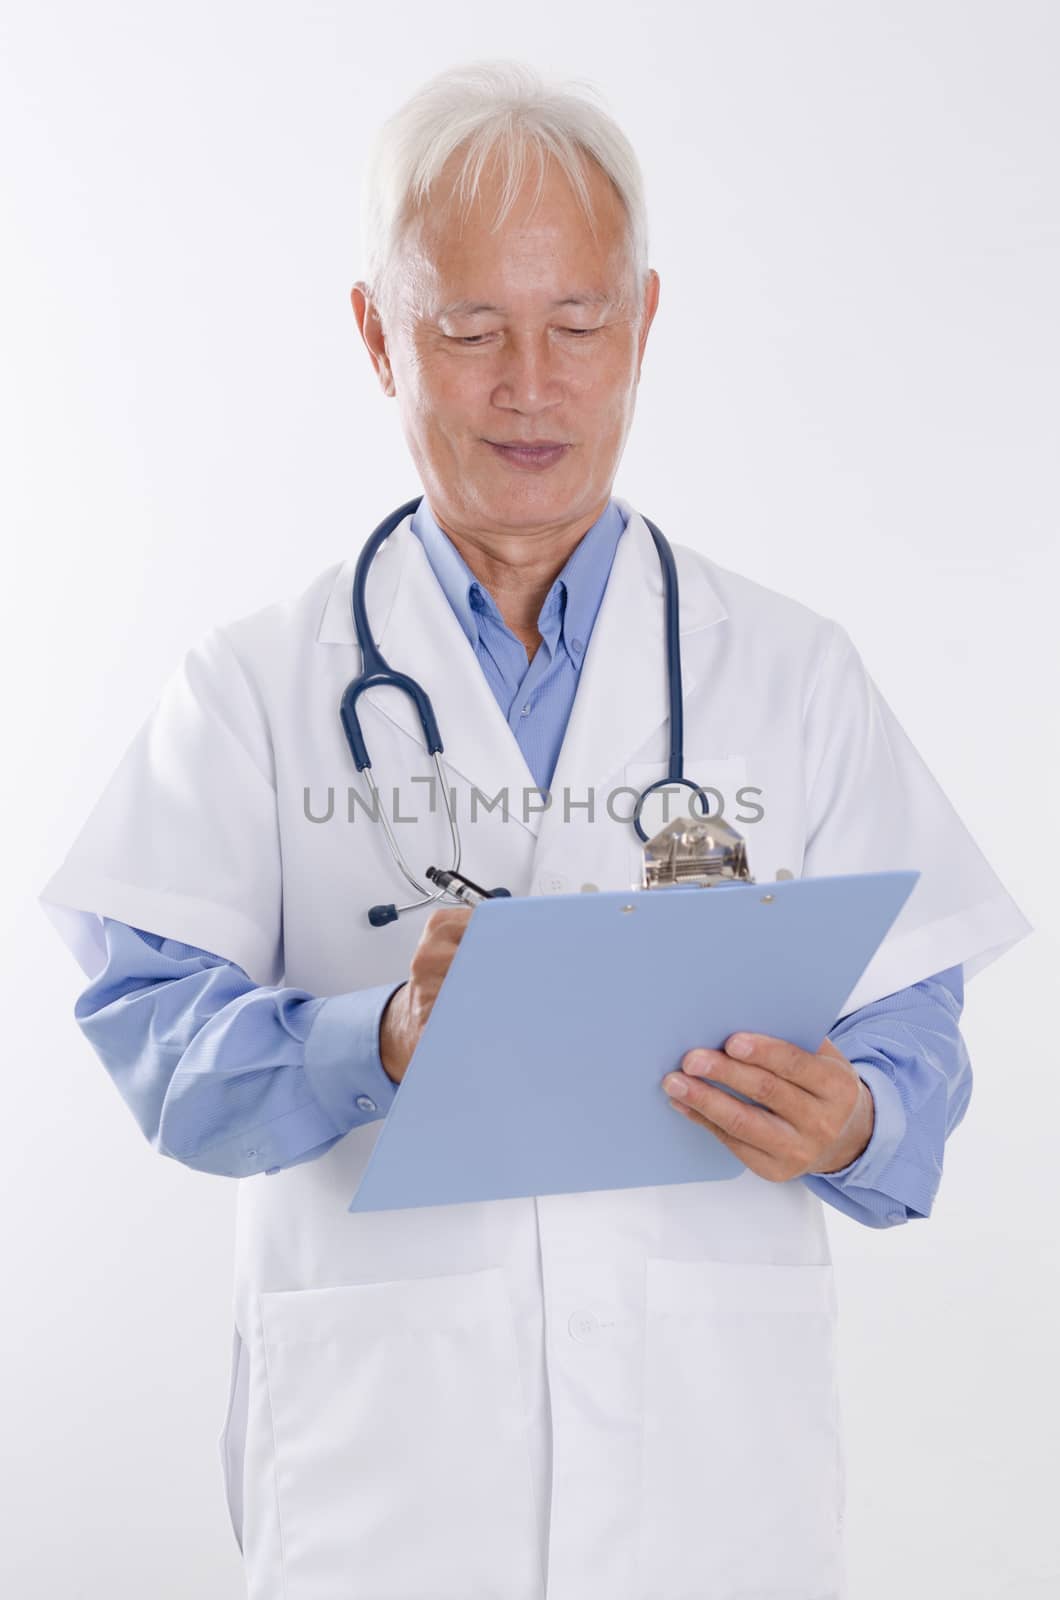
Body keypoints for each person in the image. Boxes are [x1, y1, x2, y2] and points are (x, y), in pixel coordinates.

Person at [40, 58, 1031, 1600]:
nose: (531, 384)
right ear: (378, 334)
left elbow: (915, 1028)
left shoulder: (788, 668)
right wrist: (374, 1041)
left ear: (644, 324)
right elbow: (153, 1038)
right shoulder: (253, 686)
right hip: (390, 1465)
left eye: (578, 326)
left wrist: (858, 1124)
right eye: (469, 328)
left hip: (712, 1472)